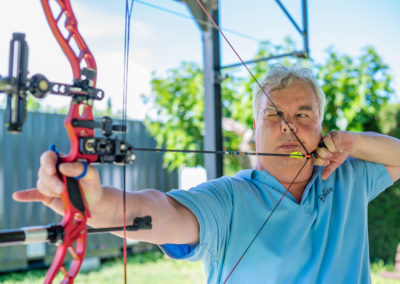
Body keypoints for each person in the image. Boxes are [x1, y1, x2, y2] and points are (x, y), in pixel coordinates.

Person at [13, 66, 400, 283]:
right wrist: (96, 203)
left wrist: (352, 141)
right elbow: (164, 212)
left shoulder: (347, 177)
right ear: (255, 127)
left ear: (321, 126)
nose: (288, 127)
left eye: (303, 114)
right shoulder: (229, 199)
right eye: (273, 115)